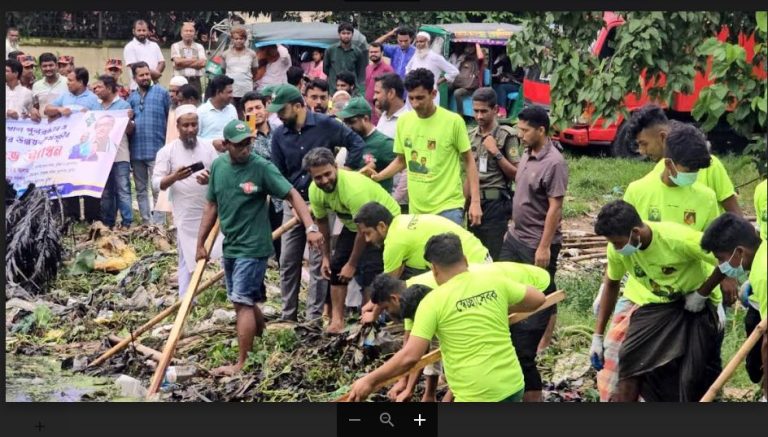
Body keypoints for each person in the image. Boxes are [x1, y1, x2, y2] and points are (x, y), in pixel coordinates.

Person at [347, 232, 546, 402]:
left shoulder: (432, 301)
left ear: (433, 269)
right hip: (512, 385)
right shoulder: (493, 281)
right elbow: (538, 299)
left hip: (476, 395)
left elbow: (410, 356)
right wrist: (497, 304)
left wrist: (370, 380)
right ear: (465, 259)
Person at [196, 119, 323, 376]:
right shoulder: (219, 167)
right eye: (240, 145)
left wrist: (310, 227)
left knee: (242, 301)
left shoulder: (262, 168)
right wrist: (201, 242)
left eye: (249, 143)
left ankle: (242, 364)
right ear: (226, 145)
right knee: (244, 300)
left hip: (254, 247)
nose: (246, 149)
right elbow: (211, 206)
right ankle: (261, 343)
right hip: (231, 245)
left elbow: (292, 194)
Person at [590, 200, 724, 402]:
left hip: (695, 306)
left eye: (618, 242)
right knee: (629, 360)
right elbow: (612, 283)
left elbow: (726, 257)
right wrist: (598, 335)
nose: (616, 248)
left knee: (690, 377)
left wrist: (703, 293)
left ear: (635, 232)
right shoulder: (617, 249)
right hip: (656, 308)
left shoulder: (677, 239)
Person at [269, 84, 365, 322]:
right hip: (294, 206)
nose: (279, 115)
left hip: (322, 203)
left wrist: (344, 172)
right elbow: (278, 173)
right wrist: (291, 200)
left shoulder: (326, 124)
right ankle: (287, 315)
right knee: (288, 260)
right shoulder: (279, 135)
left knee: (319, 261)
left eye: (282, 110)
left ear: (298, 106)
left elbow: (356, 143)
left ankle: (313, 318)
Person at [497, 105, 568, 402]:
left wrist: (543, 246)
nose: (520, 135)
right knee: (502, 290)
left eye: (525, 130)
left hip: (536, 243)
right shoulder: (527, 153)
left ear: (541, 130)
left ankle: (539, 339)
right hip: (515, 237)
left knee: (541, 296)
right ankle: (512, 329)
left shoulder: (555, 163)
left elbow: (555, 207)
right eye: (519, 129)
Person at [365, 68, 481, 226]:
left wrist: (475, 202)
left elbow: (469, 161)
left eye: (420, 98)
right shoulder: (404, 122)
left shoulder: (453, 121)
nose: (415, 104)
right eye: (411, 98)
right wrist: (379, 176)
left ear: (433, 94)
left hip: (448, 208)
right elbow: (401, 160)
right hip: (417, 211)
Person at [304, 148, 401, 333]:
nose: (324, 181)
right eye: (318, 178)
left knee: (370, 271)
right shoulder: (314, 192)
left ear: (336, 167)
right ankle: (337, 321)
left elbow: (363, 231)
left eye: (327, 174)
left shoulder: (353, 189)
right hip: (354, 226)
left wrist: (352, 264)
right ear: (311, 176)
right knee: (336, 266)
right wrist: (326, 257)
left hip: (382, 226)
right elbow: (322, 222)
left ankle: (371, 324)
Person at [153, 105, 222, 297]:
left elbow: (220, 172)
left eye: (194, 124)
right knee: (186, 256)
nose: (191, 129)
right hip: (185, 213)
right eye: (186, 125)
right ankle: (186, 299)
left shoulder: (208, 147)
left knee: (223, 248)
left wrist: (211, 179)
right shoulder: (167, 151)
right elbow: (156, 184)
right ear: (178, 126)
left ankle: (226, 292)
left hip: (210, 209)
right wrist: (174, 177)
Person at [628, 104, 742, 216]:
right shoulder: (653, 176)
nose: (642, 151)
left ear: (662, 137)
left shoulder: (710, 166)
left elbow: (734, 212)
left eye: (644, 144)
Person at [701, 213, 767, 402]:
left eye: (721, 259)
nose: (722, 267)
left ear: (739, 252)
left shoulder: (763, 273)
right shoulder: (760, 260)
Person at [353, 202, 490, 282]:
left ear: (382, 226)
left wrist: (372, 312)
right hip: (482, 256)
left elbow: (388, 287)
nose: (367, 240)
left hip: (472, 268)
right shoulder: (401, 220)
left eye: (368, 233)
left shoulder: (394, 242)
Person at [467, 88, 520, 260]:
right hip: (474, 202)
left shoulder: (506, 135)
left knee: (494, 256)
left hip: (495, 202)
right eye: (476, 111)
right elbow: (469, 173)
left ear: (495, 110)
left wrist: (496, 153)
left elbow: (517, 174)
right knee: (474, 255)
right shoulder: (470, 136)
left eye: (484, 111)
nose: (479, 116)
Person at [45, 67, 103, 222]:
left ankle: (93, 217)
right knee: (70, 178)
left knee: (88, 179)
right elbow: (47, 109)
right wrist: (59, 109)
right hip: (68, 147)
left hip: (87, 147)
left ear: (81, 82)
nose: (68, 83)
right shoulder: (64, 96)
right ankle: (73, 216)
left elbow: (101, 120)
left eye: (71, 80)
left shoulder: (93, 99)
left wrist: (88, 116)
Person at [126, 61, 171, 225]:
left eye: (147, 74)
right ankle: (146, 222)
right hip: (136, 151)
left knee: (158, 188)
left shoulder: (162, 93)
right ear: (135, 77)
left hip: (158, 150)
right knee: (140, 189)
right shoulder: (132, 98)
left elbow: (170, 119)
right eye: (141, 75)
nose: (145, 77)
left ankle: (159, 224)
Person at [241, 91, 283, 265]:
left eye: (258, 107)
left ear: (266, 109)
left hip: (280, 196)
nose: (255, 112)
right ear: (244, 114)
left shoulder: (280, 132)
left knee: (282, 243)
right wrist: (248, 136)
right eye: (249, 109)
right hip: (257, 198)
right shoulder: (243, 139)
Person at [92, 74, 133, 229]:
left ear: (109, 88)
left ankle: (127, 222)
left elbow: (130, 131)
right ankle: (108, 222)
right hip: (101, 156)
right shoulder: (95, 108)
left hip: (120, 155)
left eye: (99, 87)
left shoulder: (123, 106)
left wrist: (128, 120)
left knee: (123, 189)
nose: (96, 90)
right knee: (106, 191)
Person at [338, 97, 395, 193]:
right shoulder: (351, 140)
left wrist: (397, 197)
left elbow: (405, 167)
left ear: (365, 119)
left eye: (352, 122)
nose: (348, 127)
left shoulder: (383, 143)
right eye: (345, 122)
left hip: (377, 203)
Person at [373, 73, 411, 211]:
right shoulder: (384, 116)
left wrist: (395, 199)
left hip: (399, 201)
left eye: (378, 92)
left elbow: (408, 164)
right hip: (383, 196)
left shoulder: (407, 120)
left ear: (391, 93)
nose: (374, 97)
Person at [405, 32, 459, 106]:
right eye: (417, 42)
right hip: (414, 92)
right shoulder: (416, 55)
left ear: (428, 42)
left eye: (421, 41)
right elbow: (407, 68)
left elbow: (454, 72)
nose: (418, 44)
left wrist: (437, 82)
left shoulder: (435, 57)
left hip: (430, 94)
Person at [220, 27, 258, 118]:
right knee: (231, 113)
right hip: (231, 90)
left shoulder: (251, 54)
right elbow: (223, 70)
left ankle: (250, 130)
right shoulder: (225, 54)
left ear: (245, 39)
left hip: (246, 88)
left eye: (241, 39)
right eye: (236, 39)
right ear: (232, 39)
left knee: (248, 112)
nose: (238, 41)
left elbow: (255, 70)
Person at [324, 22, 367, 95]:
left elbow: (359, 72)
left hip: (351, 91)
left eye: (348, 33)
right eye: (343, 33)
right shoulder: (330, 50)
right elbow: (325, 69)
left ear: (352, 34)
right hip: (334, 89)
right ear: (339, 34)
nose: (346, 36)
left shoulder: (357, 52)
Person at [123, 20, 165, 91]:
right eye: (139, 30)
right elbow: (134, 66)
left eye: (144, 30)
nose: (141, 33)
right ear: (134, 31)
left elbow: (162, 62)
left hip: (155, 86)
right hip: (137, 88)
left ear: (148, 31)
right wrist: (153, 75)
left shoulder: (154, 45)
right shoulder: (130, 47)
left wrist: (156, 74)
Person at [197, 74, 238, 143]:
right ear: (218, 92)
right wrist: (212, 143)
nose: (232, 95)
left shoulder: (232, 109)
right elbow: (195, 138)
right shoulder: (201, 112)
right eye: (229, 92)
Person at [170, 22, 206, 95]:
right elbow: (177, 62)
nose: (188, 33)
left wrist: (182, 63)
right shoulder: (175, 46)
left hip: (195, 81)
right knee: (179, 103)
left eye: (191, 31)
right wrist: (194, 60)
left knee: (196, 104)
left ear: (194, 34)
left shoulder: (199, 47)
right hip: (179, 81)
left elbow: (202, 63)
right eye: (186, 31)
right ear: (181, 33)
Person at [365, 42, 394, 125]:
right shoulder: (368, 68)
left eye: (376, 52)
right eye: (371, 52)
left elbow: (390, 92)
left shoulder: (387, 70)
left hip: (380, 108)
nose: (373, 54)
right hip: (368, 108)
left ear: (382, 53)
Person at [450, 43, 485, 111]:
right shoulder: (464, 58)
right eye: (468, 47)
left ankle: (460, 114)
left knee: (457, 93)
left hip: (471, 88)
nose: (469, 49)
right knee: (447, 87)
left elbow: (480, 57)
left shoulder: (477, 61)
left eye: (471, 47)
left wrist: (476, 43)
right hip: (461, 83)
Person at [165, 76, 189, 143]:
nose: (171, 94)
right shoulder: (170, 108)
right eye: (170, 91)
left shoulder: (188, 111)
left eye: (174, 91)